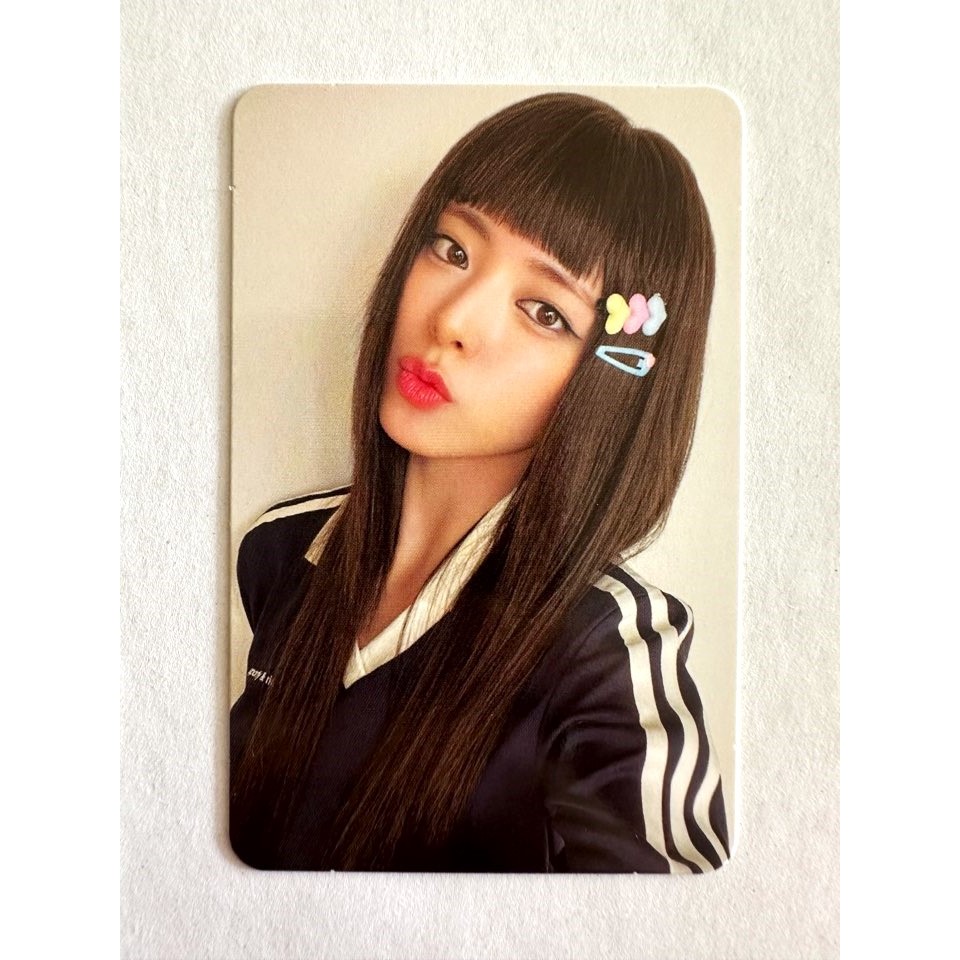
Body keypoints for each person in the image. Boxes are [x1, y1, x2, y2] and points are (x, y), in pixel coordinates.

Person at [230, 92, 730, 873]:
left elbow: (677, 921)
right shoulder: (280, 551)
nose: (453, 321)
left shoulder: (610, 648)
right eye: (452, 250)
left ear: (612, 374)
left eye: (544, 311)